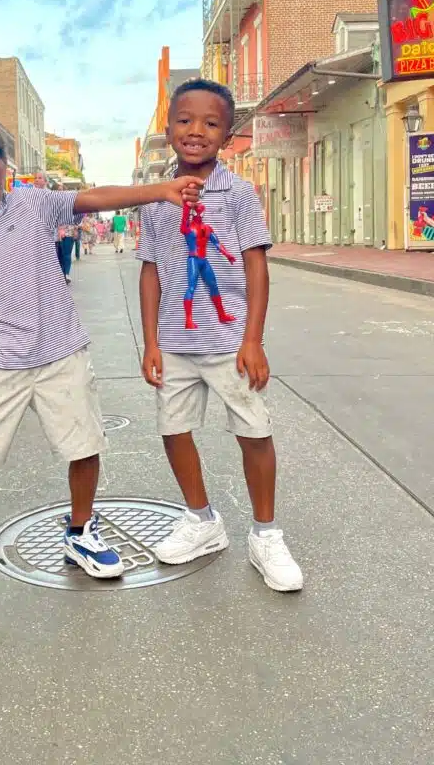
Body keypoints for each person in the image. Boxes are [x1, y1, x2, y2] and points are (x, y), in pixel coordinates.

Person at [0, 124, 202, 587]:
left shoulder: (30, 205)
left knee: (84, 446)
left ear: (5, 182)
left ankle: (80, 530)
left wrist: (160, 190)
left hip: (61, 354)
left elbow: (94, 198)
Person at [137, 79, 303, 593]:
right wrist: (151, 341)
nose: (196, 131)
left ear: (227, 136)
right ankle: (202, 521)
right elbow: (150, 272)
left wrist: (253, 339)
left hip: (230, 341)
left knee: (254, 432)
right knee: (173, 428)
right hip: (176, 343)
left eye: (211, 124)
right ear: (169, 130)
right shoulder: (154, 198)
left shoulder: (238, 193)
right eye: (185, 120)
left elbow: (256, 266)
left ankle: (265, 534)